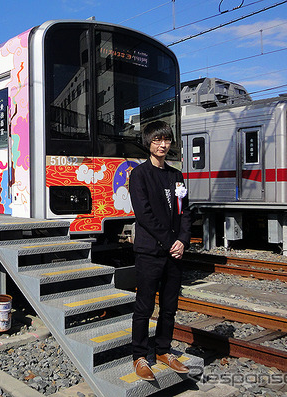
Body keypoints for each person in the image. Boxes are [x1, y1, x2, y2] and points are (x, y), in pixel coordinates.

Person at [129, 120, 191, 381]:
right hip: (150, 252)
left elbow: (184, 211)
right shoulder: (140, 174)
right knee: (144, 306)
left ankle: (163, 350)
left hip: (174, 252)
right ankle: (140, 356)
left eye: (166, 140)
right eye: (157, 140)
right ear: (148, 144)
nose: (163, 144)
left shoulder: (176, 175)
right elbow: (144, 215)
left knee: (169, 306)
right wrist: (170, 242)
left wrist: (183, 241)